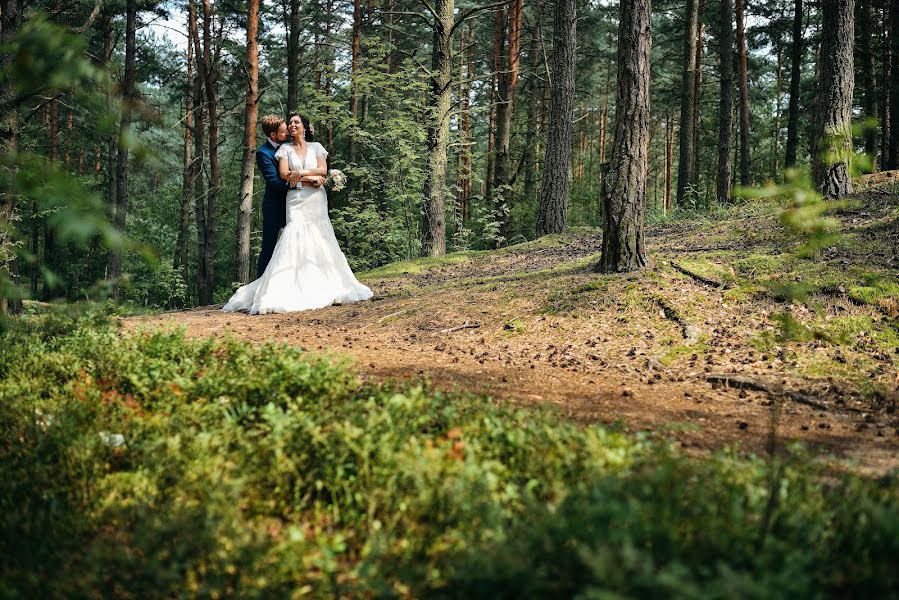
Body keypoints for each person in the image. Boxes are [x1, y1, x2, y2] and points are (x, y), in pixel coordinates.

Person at [223, 114, 372, 314]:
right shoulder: (282, 150)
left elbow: (323, 169)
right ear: (276, 134)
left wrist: (303, 175)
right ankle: (275, 286)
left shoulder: (317, 147)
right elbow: (284, 175)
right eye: (288, 124)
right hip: (294, 199)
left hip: (316, 199)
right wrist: (310, 178)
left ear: (304, 127)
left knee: (320, 237)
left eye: (296, 122)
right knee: (289, 239)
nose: (291, 126)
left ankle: (322, 281)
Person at [255, 115, 294, 278]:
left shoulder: (289, 145)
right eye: (284, 131)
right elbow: (274, 181)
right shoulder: (263, 153)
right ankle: (259, 286)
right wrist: (299, 185)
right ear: (273, 135)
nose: (288, 134)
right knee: (269, 247)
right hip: (274, 207)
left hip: (293, 204)